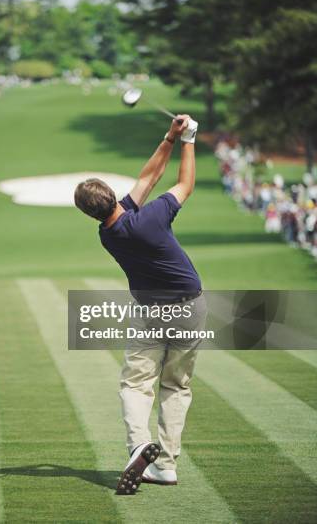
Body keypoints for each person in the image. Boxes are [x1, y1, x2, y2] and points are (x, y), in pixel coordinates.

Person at [74, 115, 206, 495]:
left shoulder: (108, 233)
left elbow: (148, 179)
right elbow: (184, 184)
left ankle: (137, 446)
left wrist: (169, 138)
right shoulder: (150, 218)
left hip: (150, 312)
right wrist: (190, 140)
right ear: (114, 198)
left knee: (135, 384)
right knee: (176, 386)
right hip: (189, 306)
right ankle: (164, 465)